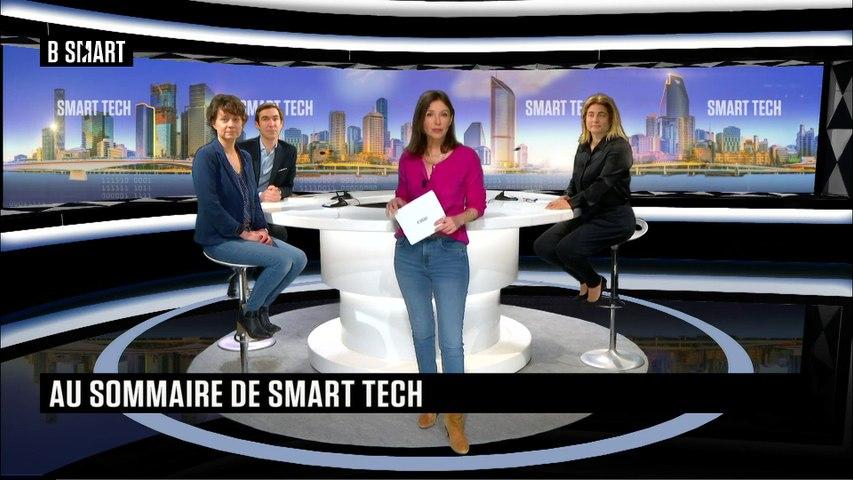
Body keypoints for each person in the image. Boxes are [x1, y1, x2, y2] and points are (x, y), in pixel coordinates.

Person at [385, 90, 486, 455]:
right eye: (431, 114)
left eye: (444, 114)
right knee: (422, 333)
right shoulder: (408, 158)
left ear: (451, 119)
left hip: (449, 254)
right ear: (421, 120)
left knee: (451, 341)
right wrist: (395, 203)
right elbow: (402, 195)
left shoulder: (467, 156)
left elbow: (478, 205)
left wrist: (458, 218)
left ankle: (455, 416)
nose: (438, 121)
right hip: (409, 253)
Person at [192, 94, 307, 340]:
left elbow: (253, 200)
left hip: (247, 233)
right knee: (281, 262)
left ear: (242, 123)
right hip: (220, 239)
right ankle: (248, 314)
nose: (230, 124)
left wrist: (262, 229)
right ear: (214, 122)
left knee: (299, 259)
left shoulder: (244, 156)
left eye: (236, 119)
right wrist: (244, 233)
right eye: (224, 119)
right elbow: (210, 206)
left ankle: (261, 310)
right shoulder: (206, 156)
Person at [533, 93, 635, 304]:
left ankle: (594, 281)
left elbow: (603, 184)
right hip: (586, 213)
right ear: (584, 118)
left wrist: (570, 203)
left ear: (611, 118)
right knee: (544, 246)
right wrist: (568, 195)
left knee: (566, 249)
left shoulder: (619, 147)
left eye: (601, 115)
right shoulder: (583, 145)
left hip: (613, 218)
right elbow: (575, 179)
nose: (595, 119)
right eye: (590, 114)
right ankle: (586, 279)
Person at [223, 102, 297, 297]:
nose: (271, 123)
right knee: (253, 233)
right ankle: (241, 274)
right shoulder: (242, 148)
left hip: (268, 209)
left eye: (275, 119)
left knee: (279, 233)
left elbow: (289, 185)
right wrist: (259, 196)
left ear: (281, 123)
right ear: (257, 124)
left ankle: (262, 280)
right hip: (243, 207)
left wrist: (279, 192)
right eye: (265, 119)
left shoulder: (289, 151)